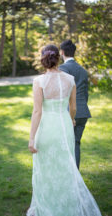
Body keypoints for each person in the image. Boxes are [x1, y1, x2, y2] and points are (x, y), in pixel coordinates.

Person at [27, 45, 101, 216]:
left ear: (43, 59)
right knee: (66, 166)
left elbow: (37, 112)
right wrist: (72, 119)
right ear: (58, 58)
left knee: (45, 168)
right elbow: (72, 107)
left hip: (47, 127)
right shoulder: (70, 79)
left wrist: (31, 138)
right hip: (64, 125)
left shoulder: (39, 81)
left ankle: (48, 205)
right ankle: (66, 204)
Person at [59, 39, 91, 169]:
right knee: (76, 143)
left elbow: (61, 92)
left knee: (65, 144)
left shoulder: (62, 69)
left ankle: (68, 174)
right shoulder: (83, 70)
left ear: (62, 52)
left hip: (68, 112)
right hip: (83, 112)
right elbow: (85, 94)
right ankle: (75, 174)